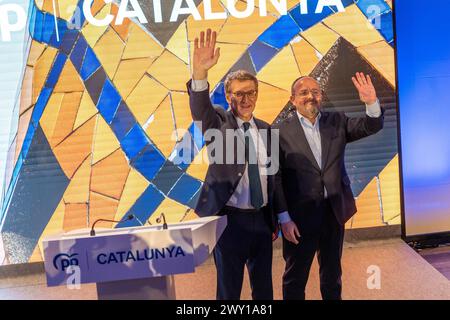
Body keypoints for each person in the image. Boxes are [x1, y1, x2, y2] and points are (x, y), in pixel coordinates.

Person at [274, 74, 384, 300]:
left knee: (332, 275)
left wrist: (371, 102)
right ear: (292, 99)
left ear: (321, 97)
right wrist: (284, 218)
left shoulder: (337, 121)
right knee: (295, 278)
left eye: (315, 92)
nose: (310, 96)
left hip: (333, 212)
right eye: (304, 92)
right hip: (299, 218)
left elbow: (371, 125)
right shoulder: (279, 132)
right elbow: (275, 179)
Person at [186, 28, 277, 300]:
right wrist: (200, 73)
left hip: (261, 220)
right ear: (228, 97)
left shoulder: (267, 131)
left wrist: (280, 217)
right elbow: (200, 109)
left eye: (250, 93)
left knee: (264, 291)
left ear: (257, 95)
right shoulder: (218, 123)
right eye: (238, 94)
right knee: (229, 292)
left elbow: (275, 178)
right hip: (229, 222)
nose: (245, 99)